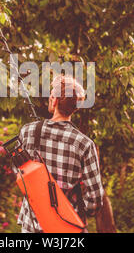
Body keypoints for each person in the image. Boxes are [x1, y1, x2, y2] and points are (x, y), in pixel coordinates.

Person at [17, 75, 105, 233]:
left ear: (55, 100)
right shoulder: (85, 145)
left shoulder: (28, 131)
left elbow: (20, 174)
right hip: (66, 228)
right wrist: (79, 210)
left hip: (31, 227)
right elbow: (95, 199)